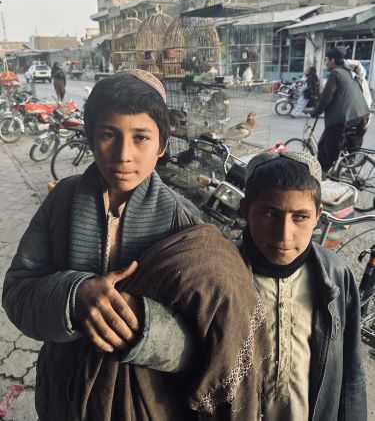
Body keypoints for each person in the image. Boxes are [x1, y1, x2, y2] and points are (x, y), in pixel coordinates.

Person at [2, 70, 270, 420]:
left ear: (161, 145)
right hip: (62, 397)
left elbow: (208, 346)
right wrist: (75, 297)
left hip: (146, 406)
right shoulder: (62, 202)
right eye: (109, 135)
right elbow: (18, 293)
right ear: (90, 136)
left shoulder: (184, 225)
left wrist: (142, 326)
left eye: (141, 137)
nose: (124, 154)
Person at [238, 151, 366, 420]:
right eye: (270, 214)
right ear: (245, 210)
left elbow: (351, 373)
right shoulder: (221, 273)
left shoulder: (335, 277)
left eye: (300, 217)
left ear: (318, 215)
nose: (284, 234)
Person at [310, 47, 369, 178]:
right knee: (351, 148)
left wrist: (315, 112)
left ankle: (321, 180)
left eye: (326, 60)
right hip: (363, 116)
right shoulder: (349, 72)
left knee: (325, 149)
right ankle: (353, 171)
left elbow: (326, 98)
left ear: (332, 60)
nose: (325, 63)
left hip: (345, 117)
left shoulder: (335, 73)